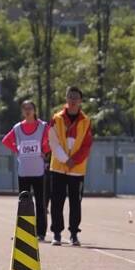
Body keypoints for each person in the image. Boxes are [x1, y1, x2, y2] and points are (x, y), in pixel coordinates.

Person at [48, 87, 93, 246]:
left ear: (80, 101)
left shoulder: (86, 121)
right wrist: (65, 159)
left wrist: (75, 160)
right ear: (66, 99)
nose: (73, 100)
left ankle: (74, 233)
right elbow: (53, 142)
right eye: (70, 97)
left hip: (77, 169)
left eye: (76, 98)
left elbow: (86, 145)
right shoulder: (56, 118)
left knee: (76, 202)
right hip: (59, 167)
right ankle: (57, 233)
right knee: (57, 201)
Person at [2, 100, 50, 241]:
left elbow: (53, 140)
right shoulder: (17, 128)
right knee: (23, 203)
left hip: (38, 172)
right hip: (23, 171)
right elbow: (5, 140)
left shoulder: (43, 126)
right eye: (25, 108)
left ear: (34, 110)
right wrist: (16, 149)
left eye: (30, 108)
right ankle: (23, 232)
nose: (27, 111)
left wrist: (45, 151)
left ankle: (40, 233)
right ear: (22, 111)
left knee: (41, 204)